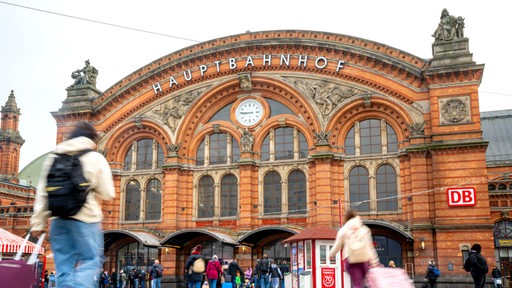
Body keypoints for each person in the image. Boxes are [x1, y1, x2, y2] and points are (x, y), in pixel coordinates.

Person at [30, 121, 116, 288]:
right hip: (86, 219)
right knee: (92, 260)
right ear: (92, 139)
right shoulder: (95, 157)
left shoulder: (54, 157)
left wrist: (37, 223)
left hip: (58, 220)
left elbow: (42, 192)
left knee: (63, 268)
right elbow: (108, 193)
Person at [329, 210, 379, 288]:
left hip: (351, 259)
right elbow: (370, 247)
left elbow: (337, 245)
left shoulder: (343, 230)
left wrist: (331, 254)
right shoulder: (364, 229)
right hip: (364, 259)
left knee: (357, 284)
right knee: (362, 283)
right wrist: (375, 261)